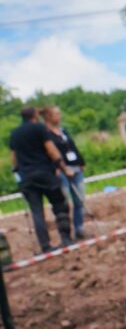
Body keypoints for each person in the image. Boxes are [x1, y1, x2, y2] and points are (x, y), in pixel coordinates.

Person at [8, 106, 73, 252]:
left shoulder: (14, 134)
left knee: (37, 212)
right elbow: (51, 149)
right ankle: (65, 238)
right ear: (35, 115)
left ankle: (45, 245)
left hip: (27, 178)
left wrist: (18, 173)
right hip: (45, 173)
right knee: (59, 204)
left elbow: (14, 159)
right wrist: (64, 167)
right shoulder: (39, 128)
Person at [41, 106, 88, 239]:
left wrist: (81, 161)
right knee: (64, 202)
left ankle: (80, 229)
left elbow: (72, 146)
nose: (59, 116)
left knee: (79, 200)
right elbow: (49, 152)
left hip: (75, 168)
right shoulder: (46, 134)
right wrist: (55, 167)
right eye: (57, 114)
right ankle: (66, 233)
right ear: (49, 116)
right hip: (60, 170)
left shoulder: (63, 131)